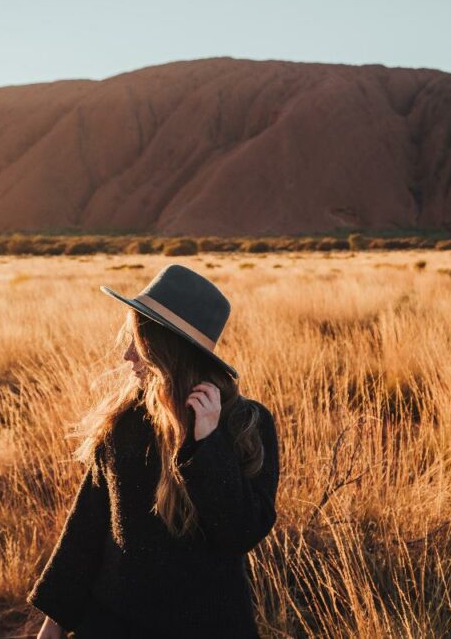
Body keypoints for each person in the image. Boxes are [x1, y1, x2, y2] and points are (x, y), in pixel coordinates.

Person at [23, 263, 280, 638]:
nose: (127, 354)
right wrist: (52, 625)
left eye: (137, 342)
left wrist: (207, 445)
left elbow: (241, 532)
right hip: (114, 623)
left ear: (165, 348)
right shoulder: (126, 421)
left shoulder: (246, 424)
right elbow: (86, 528)